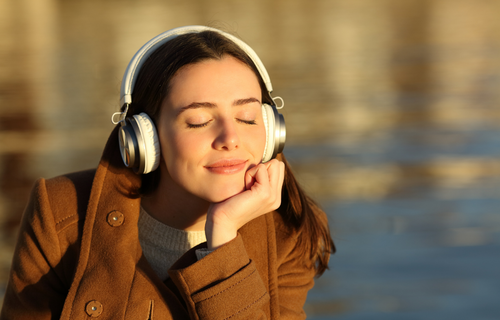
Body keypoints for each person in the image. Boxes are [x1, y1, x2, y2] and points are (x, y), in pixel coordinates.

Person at [0, 26, 335, 319]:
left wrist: (223, 238)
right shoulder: (61, 213)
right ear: (145, 138)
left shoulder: (287, 231)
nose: (230, 138)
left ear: (271, 130)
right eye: (199, 121)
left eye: (247, 118)